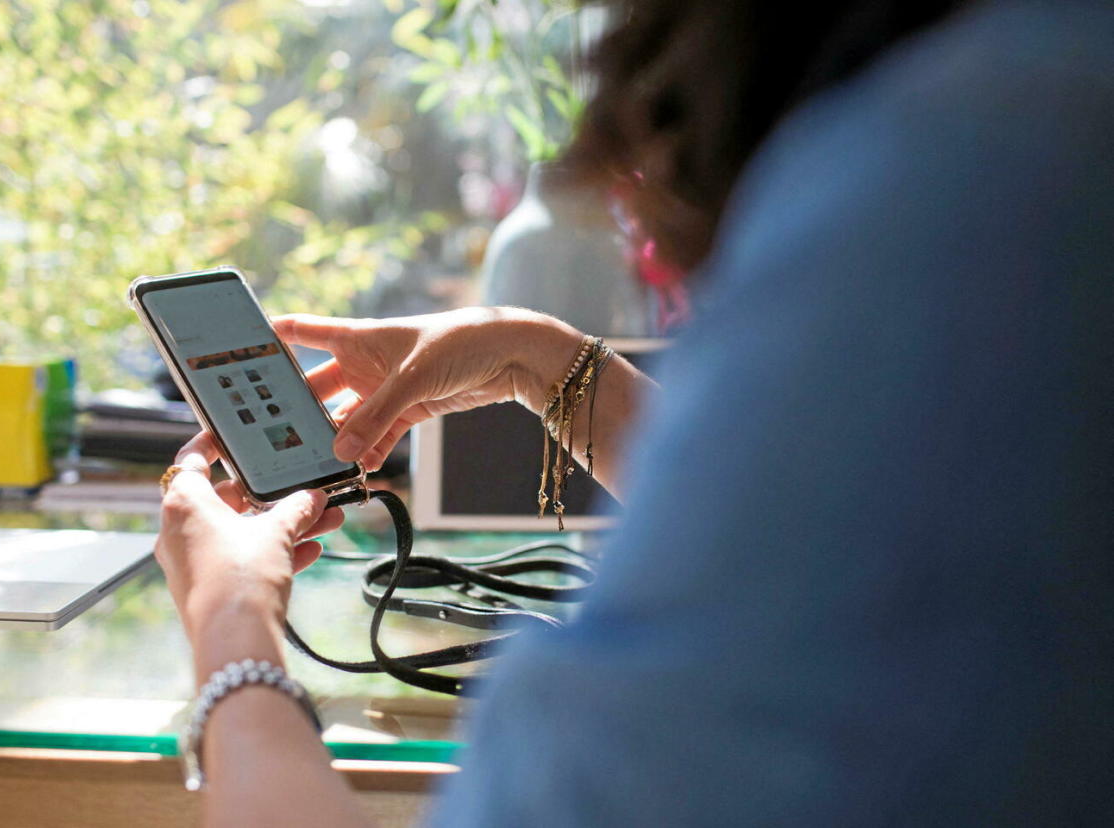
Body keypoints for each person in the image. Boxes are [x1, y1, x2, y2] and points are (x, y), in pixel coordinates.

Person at [153, 0, 1114, 824]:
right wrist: (540, 357)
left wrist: (229, 618)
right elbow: (808, 527)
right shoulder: (1038, 94)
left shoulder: (961, 168)